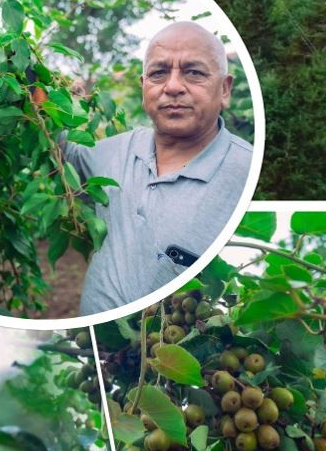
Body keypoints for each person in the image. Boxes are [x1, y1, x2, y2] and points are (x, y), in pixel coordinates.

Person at [62, 21, 253, 316]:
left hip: (161, 358)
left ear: (225, 89)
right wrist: (47, 95)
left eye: (194, 72)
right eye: (159, 73)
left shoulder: (247, 175)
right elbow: (62, 151)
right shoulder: (113, 152)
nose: (173, 87)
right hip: (102, 350)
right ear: (143, 87)